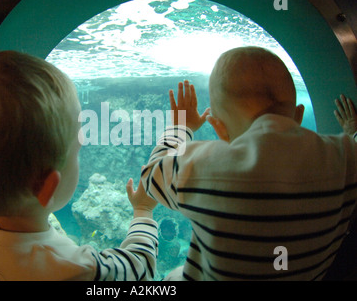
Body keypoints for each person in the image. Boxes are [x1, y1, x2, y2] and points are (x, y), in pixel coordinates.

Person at [0, 51, 158, 281]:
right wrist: (143, 211)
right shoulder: (77, 269)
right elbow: (139, 268)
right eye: (78, 150)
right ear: (47, 188)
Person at [141, 46, 357, 281]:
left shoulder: (205, 168)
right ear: (298, 115)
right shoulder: (345, 157)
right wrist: (352, 132)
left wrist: (181, 128)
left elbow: (151, 177)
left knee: (173, 277)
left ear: (219, 128)